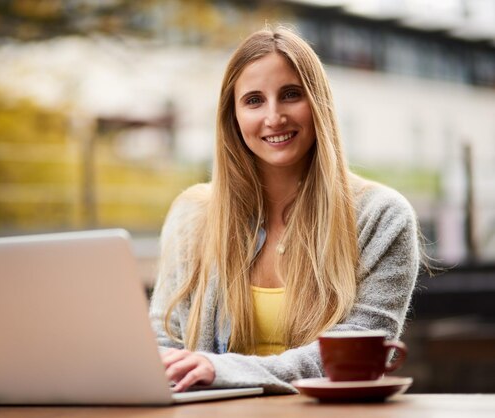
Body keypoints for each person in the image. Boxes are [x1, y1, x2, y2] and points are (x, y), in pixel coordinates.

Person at [149, 26, 420, 394]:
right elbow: (165, 346)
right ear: (233, 116)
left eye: (291, 95)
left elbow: (356, 352)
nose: (274, 117)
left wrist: (223, 369)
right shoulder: (192, 216)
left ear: (318, 103)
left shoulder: (381, 217)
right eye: (254, 100)